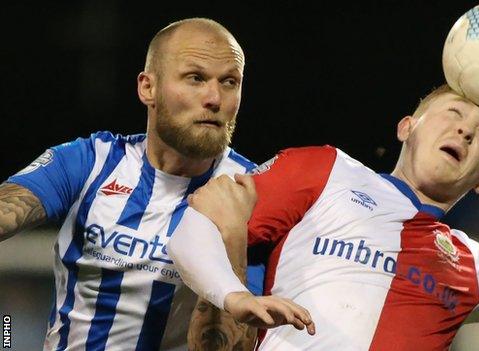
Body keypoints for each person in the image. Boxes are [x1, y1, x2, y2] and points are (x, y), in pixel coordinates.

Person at [169, 84, 479, 350]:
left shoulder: (472, 266)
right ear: (407, 126)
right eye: (451, 113)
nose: (464, 129)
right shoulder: (326, 170)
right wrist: (233, 295)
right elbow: (197, 226)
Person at [0, 18, 313, 351]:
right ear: (148, 87)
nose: (214, 97)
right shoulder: (89, 161)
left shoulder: (256, 193)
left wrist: (233, 236)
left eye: (229, 82)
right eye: (195, 78)